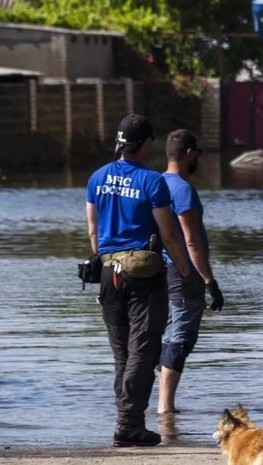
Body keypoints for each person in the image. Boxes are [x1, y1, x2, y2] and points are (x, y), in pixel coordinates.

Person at [86, 114, 192, 447]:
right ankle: (130, 425)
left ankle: (126, 421)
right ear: (145, 144)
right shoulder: (151, 181)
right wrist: (185, 271)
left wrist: (107, 258)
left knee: (122, 355)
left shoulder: (96, 177)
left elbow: (93, 230)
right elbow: (170, 234)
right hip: (143, 278)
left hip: (108, 274)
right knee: (142, 354)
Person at [157, 129, 224, 415]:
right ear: (189, 154)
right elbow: (191, 240)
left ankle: (162, 405)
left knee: (169, 333)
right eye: (197, 153)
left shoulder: (156, 182)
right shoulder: (182, 189)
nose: (197, 158)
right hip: (182, 272)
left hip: (162, 272)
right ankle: (165, 407)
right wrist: (210, 281)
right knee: (181, 336)